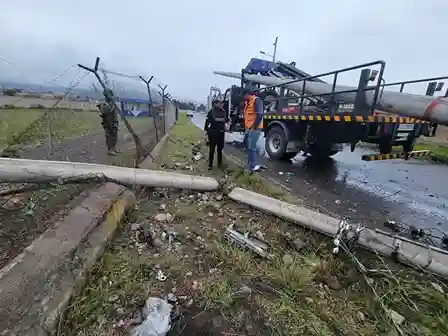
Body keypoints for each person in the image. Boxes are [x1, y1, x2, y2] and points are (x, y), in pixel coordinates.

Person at [243, 89, 264, 173]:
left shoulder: (256, 100)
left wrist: (254, 127)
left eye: (244, 96)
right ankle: (250, 164)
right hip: (248, 128)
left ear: (248, 94)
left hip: (254, 128)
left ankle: (252, 166)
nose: (243, 98)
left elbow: (260, 114)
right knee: (249, 147)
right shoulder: (247, 103)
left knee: (252, 147)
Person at [204, 99, 229, 170]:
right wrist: (206, 133)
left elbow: (227, 121)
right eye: (220, 103)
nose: (222, 105)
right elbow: (207, 123)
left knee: (220, 150)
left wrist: (228, 125)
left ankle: (219, 164)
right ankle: (210, 165)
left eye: (222, 104)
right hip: (213, 133)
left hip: (221, 133)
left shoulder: (224, 112)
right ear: (215, 104)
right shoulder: (211, 112)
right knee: (212, 150)